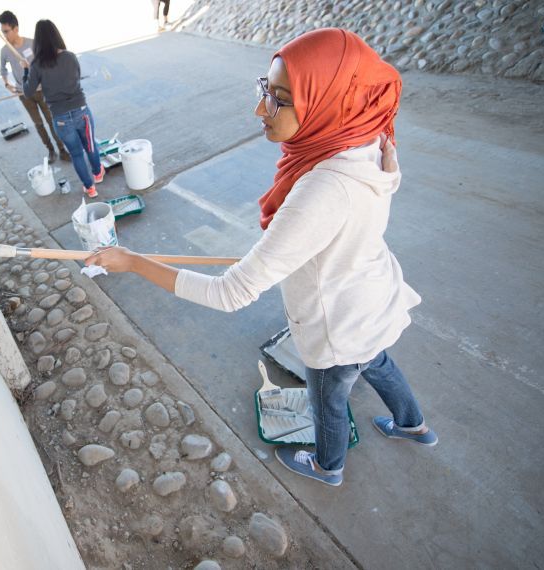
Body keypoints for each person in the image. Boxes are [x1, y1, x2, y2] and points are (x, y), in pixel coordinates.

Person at [84, 28, 438, 487]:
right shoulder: (366, 136)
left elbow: (231, 293)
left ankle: (327, 467)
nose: (260, 109)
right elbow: (335, 227)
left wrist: (132, 261)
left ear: (327, 98)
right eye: (264, 90)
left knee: (328, 397)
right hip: (370, 298)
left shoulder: (324, 189)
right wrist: (294, 246)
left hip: (338, 325)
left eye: (280, 98)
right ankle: (414, 426)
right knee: (377, 362)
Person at [23, 19, 105, 198]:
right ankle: (98, 173)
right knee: (90, 146)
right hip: (81, 110)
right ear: (55, 36)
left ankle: (90, 188)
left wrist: (26, 71)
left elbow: (28, 91)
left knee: (76, 154)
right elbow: (76, 76)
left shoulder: (36, 65)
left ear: (37, 41)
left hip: (60, 117)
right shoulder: (69, 56)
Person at [0, 11, 70, 163]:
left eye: (6, 31)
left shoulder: (33, 43)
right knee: (38, 124)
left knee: (52, 121)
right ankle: (50, 150)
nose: (4, 35)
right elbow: (2, 69)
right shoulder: (5, 50)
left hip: (42, 90)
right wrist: (7, 84)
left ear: (16, 28)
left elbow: (47, 61)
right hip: (24, 94)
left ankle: (62, 150)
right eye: (2, 31)